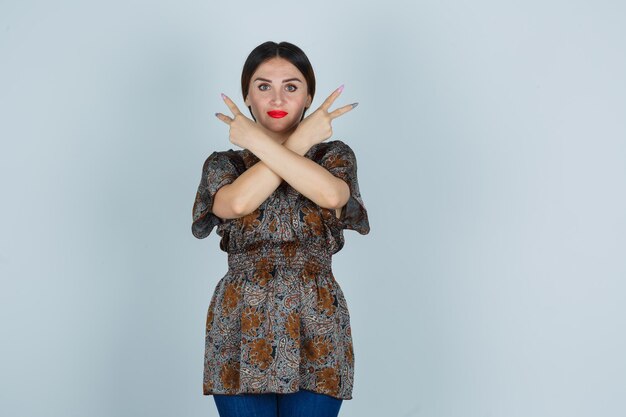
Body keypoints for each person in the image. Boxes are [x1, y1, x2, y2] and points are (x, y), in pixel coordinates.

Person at [191, 41, 370, 417]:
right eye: (263, 86)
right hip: (242, 324)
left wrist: (283, 139)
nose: (277, 97)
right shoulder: (223, 164)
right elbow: (237, 204)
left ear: (308, 97)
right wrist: (285, 141)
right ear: (247, 96)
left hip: (317, 324)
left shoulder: (334, 156)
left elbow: (330, 193)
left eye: (291, 86)